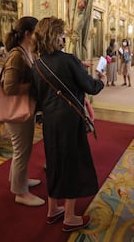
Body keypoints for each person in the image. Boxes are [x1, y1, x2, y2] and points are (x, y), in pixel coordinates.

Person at [30, 17, 104, 232]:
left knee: (54, 161)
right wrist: (102, 81)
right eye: (62, 33)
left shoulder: (37, 64)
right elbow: (90, 86)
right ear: (55, 36)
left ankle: (53, 209)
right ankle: (70, 216)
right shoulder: (69, 59)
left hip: (50, 120)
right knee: (72, 163)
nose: (65, 37)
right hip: (70, 120)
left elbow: (38, 96)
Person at [3, 16, 44, 207]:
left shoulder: (26, 51)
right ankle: (20, 193)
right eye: (36, 32)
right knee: (22, 151)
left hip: (23, 109)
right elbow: (9, 88)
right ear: (27, 34)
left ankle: (19, 181)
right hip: (16, 111)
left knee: (22, 150)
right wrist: (33, 86)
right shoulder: (17, 55)